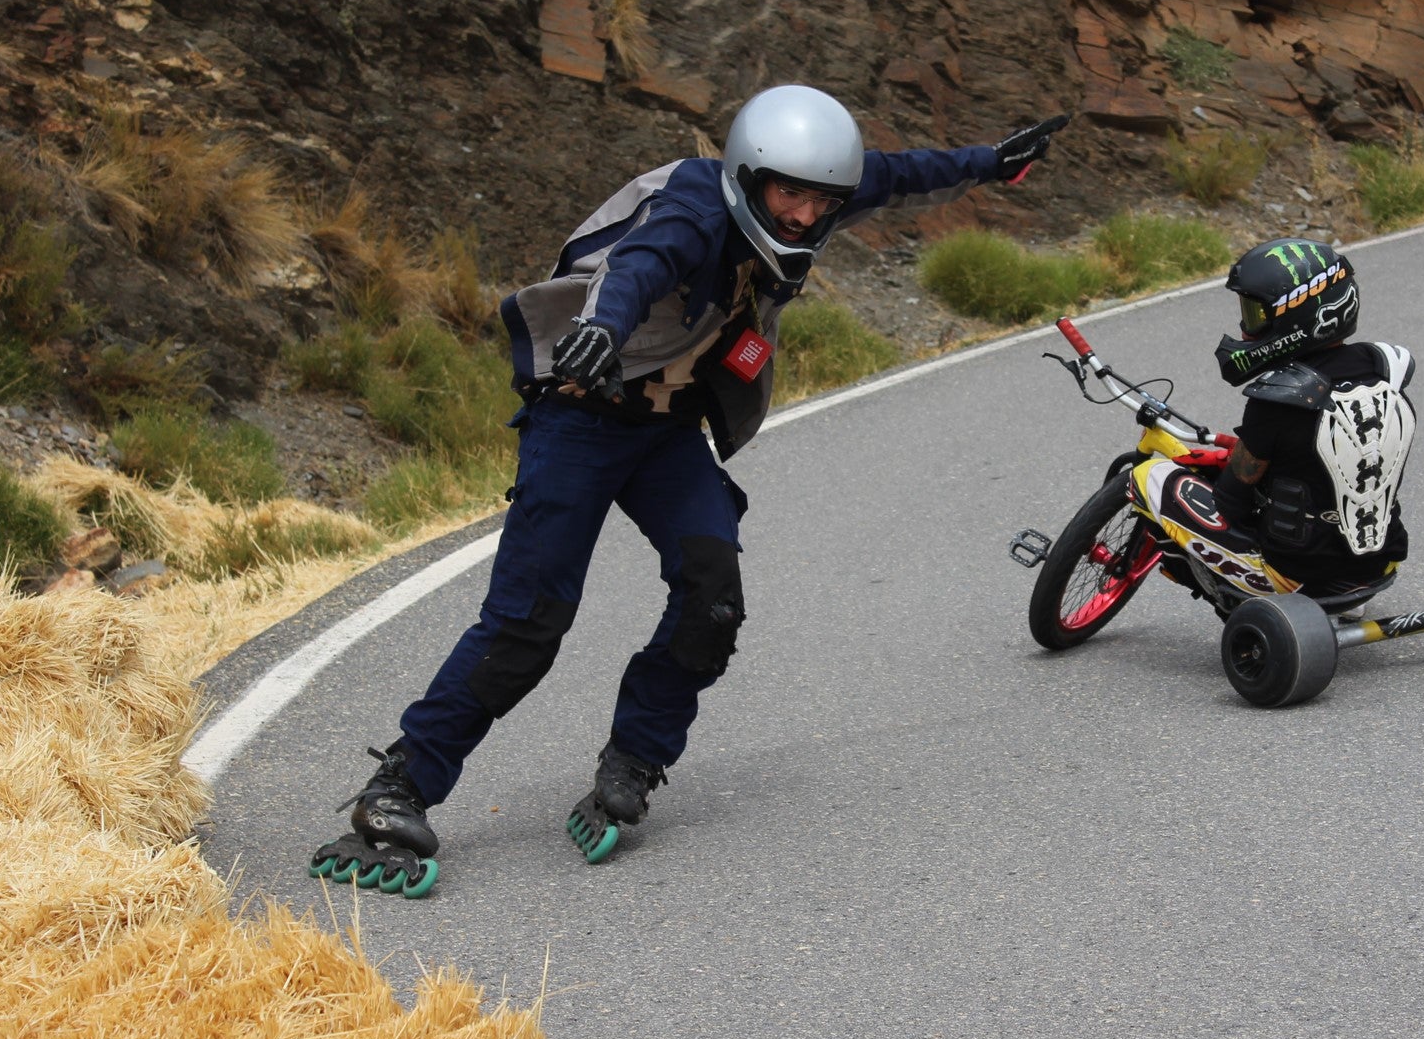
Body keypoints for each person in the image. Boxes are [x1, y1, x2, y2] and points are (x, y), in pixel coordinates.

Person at [325, 85, 1069, 877]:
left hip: (665, 432)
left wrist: (992, 162)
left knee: (713, 598)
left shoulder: (805, 204)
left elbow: (901, 171)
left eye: (822, 201)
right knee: (529, 623)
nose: (803, 216)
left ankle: (632, 764)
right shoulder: (694, 204)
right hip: (580, 419)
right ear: (749, 175)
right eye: (789, 193)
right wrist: (600, 329)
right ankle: (399, 784)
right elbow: (637, 266)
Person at [1134, 237, 1415, 614]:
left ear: (1295, 317)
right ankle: (1345, 601)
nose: (1246, 328)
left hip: (1295, 576)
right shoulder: (1386, 373)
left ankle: (1222, 593)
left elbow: (1230, 504)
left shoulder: (1278, 400)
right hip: (1380, 561)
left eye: (1255, 314)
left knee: (1148, 476)